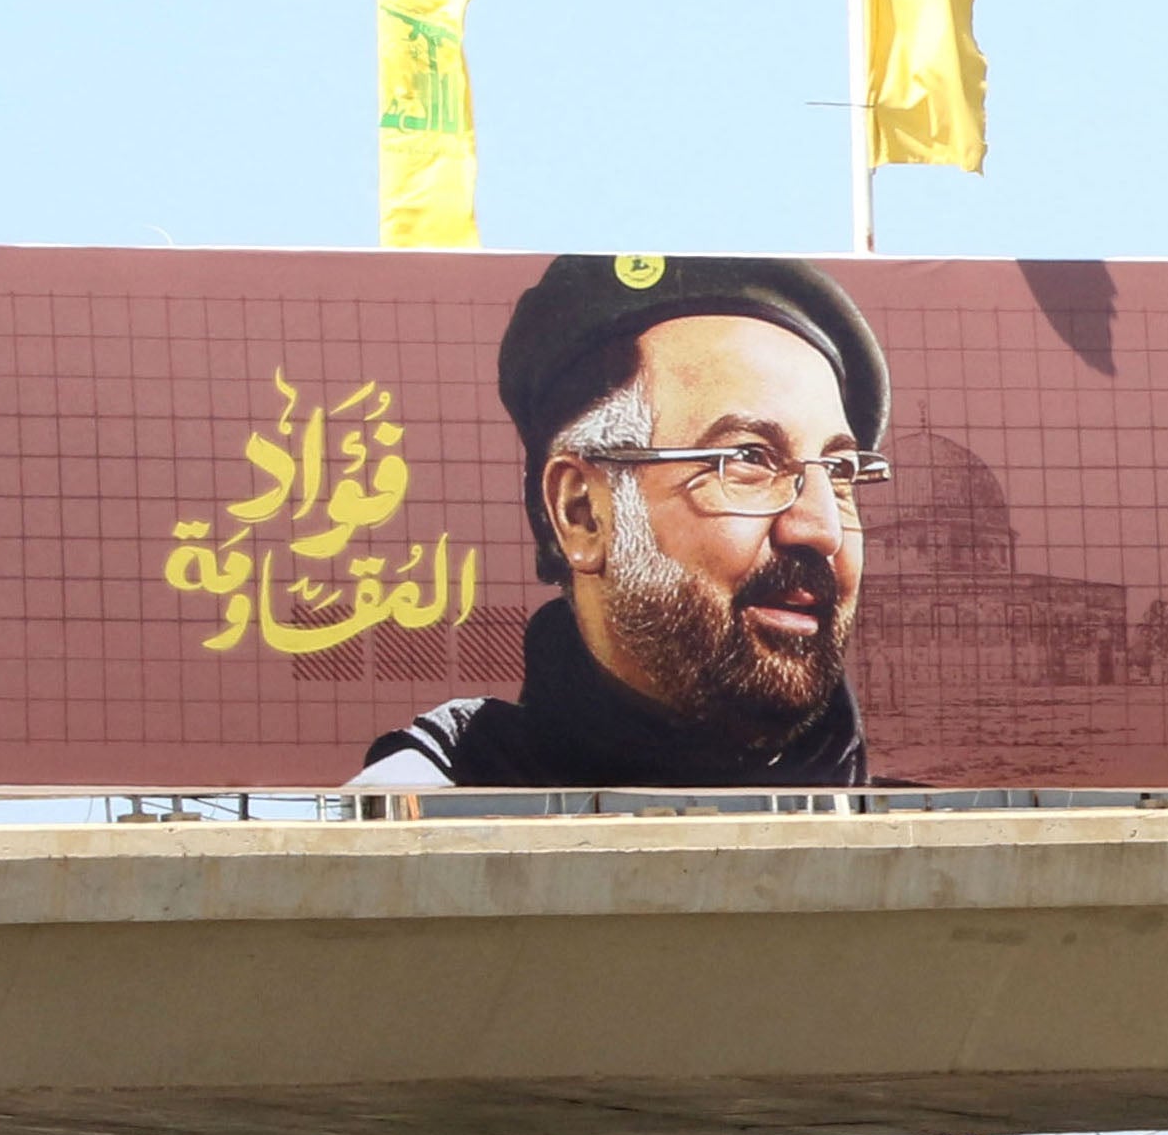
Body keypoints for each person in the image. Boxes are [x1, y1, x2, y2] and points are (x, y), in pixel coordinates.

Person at [358, 254, 894, 790]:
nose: (821, 530)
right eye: (748, 459)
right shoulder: (422, 813)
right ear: (583, 514)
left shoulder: (947, 832)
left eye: (841, 472)